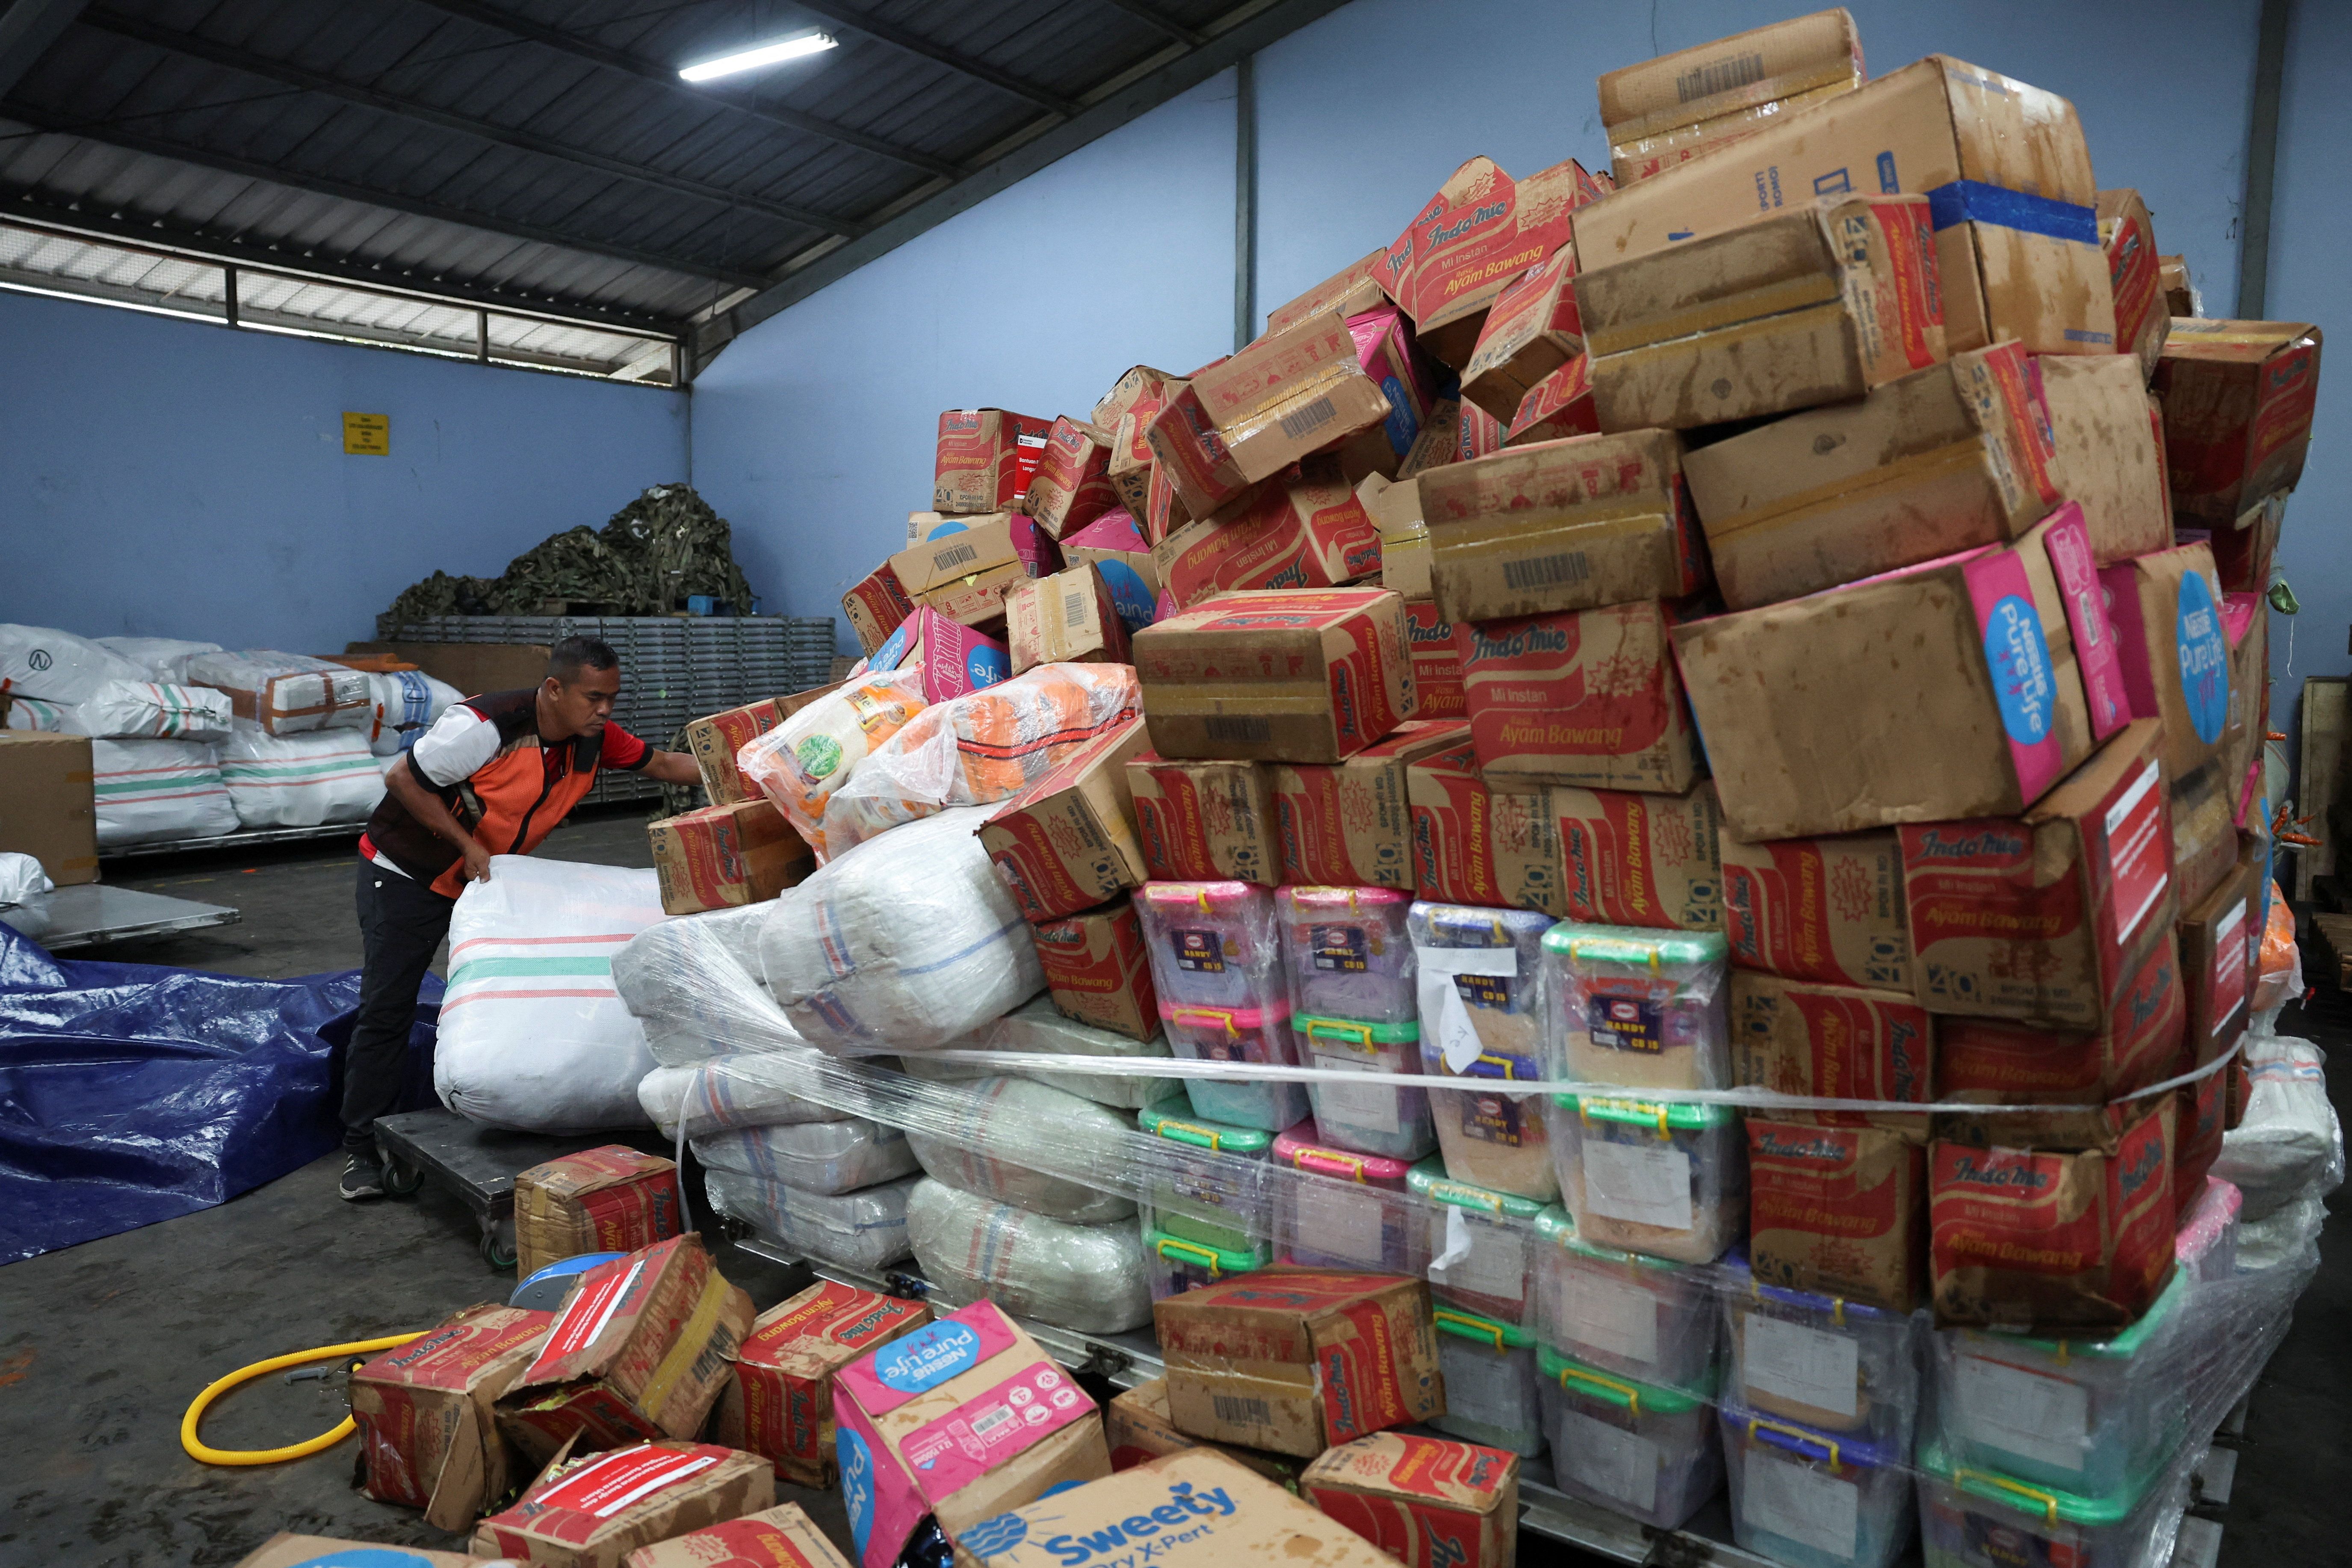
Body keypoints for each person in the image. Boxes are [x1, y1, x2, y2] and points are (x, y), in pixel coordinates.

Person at [337, 635, 701, 1200]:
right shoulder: (486, 727)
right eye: (593, 698)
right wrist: (466, 844)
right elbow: (402, 780)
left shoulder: (593, 738)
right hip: (408, 874)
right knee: (389, 1005)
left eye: (612, 698)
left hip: (484, 881)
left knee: (512, 986)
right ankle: (361, 1148)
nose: (605, 710)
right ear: (554, 689)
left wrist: (754, 771)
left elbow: (665, 764)